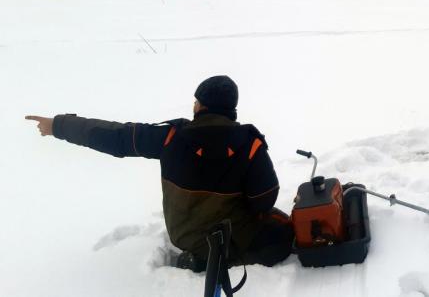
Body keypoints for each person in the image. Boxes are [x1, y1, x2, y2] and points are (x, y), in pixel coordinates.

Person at [25, 75, 293, 272]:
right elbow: (265, 199)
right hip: (225, 240)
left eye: (196, 101)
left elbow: (113, 135)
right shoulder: (251, 146)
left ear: (201, 107)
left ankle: (202, 255)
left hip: (182, 234)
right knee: (285, 234)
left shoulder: (168, 137)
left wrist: (58, 125)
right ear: (230, 109)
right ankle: (209, 261)